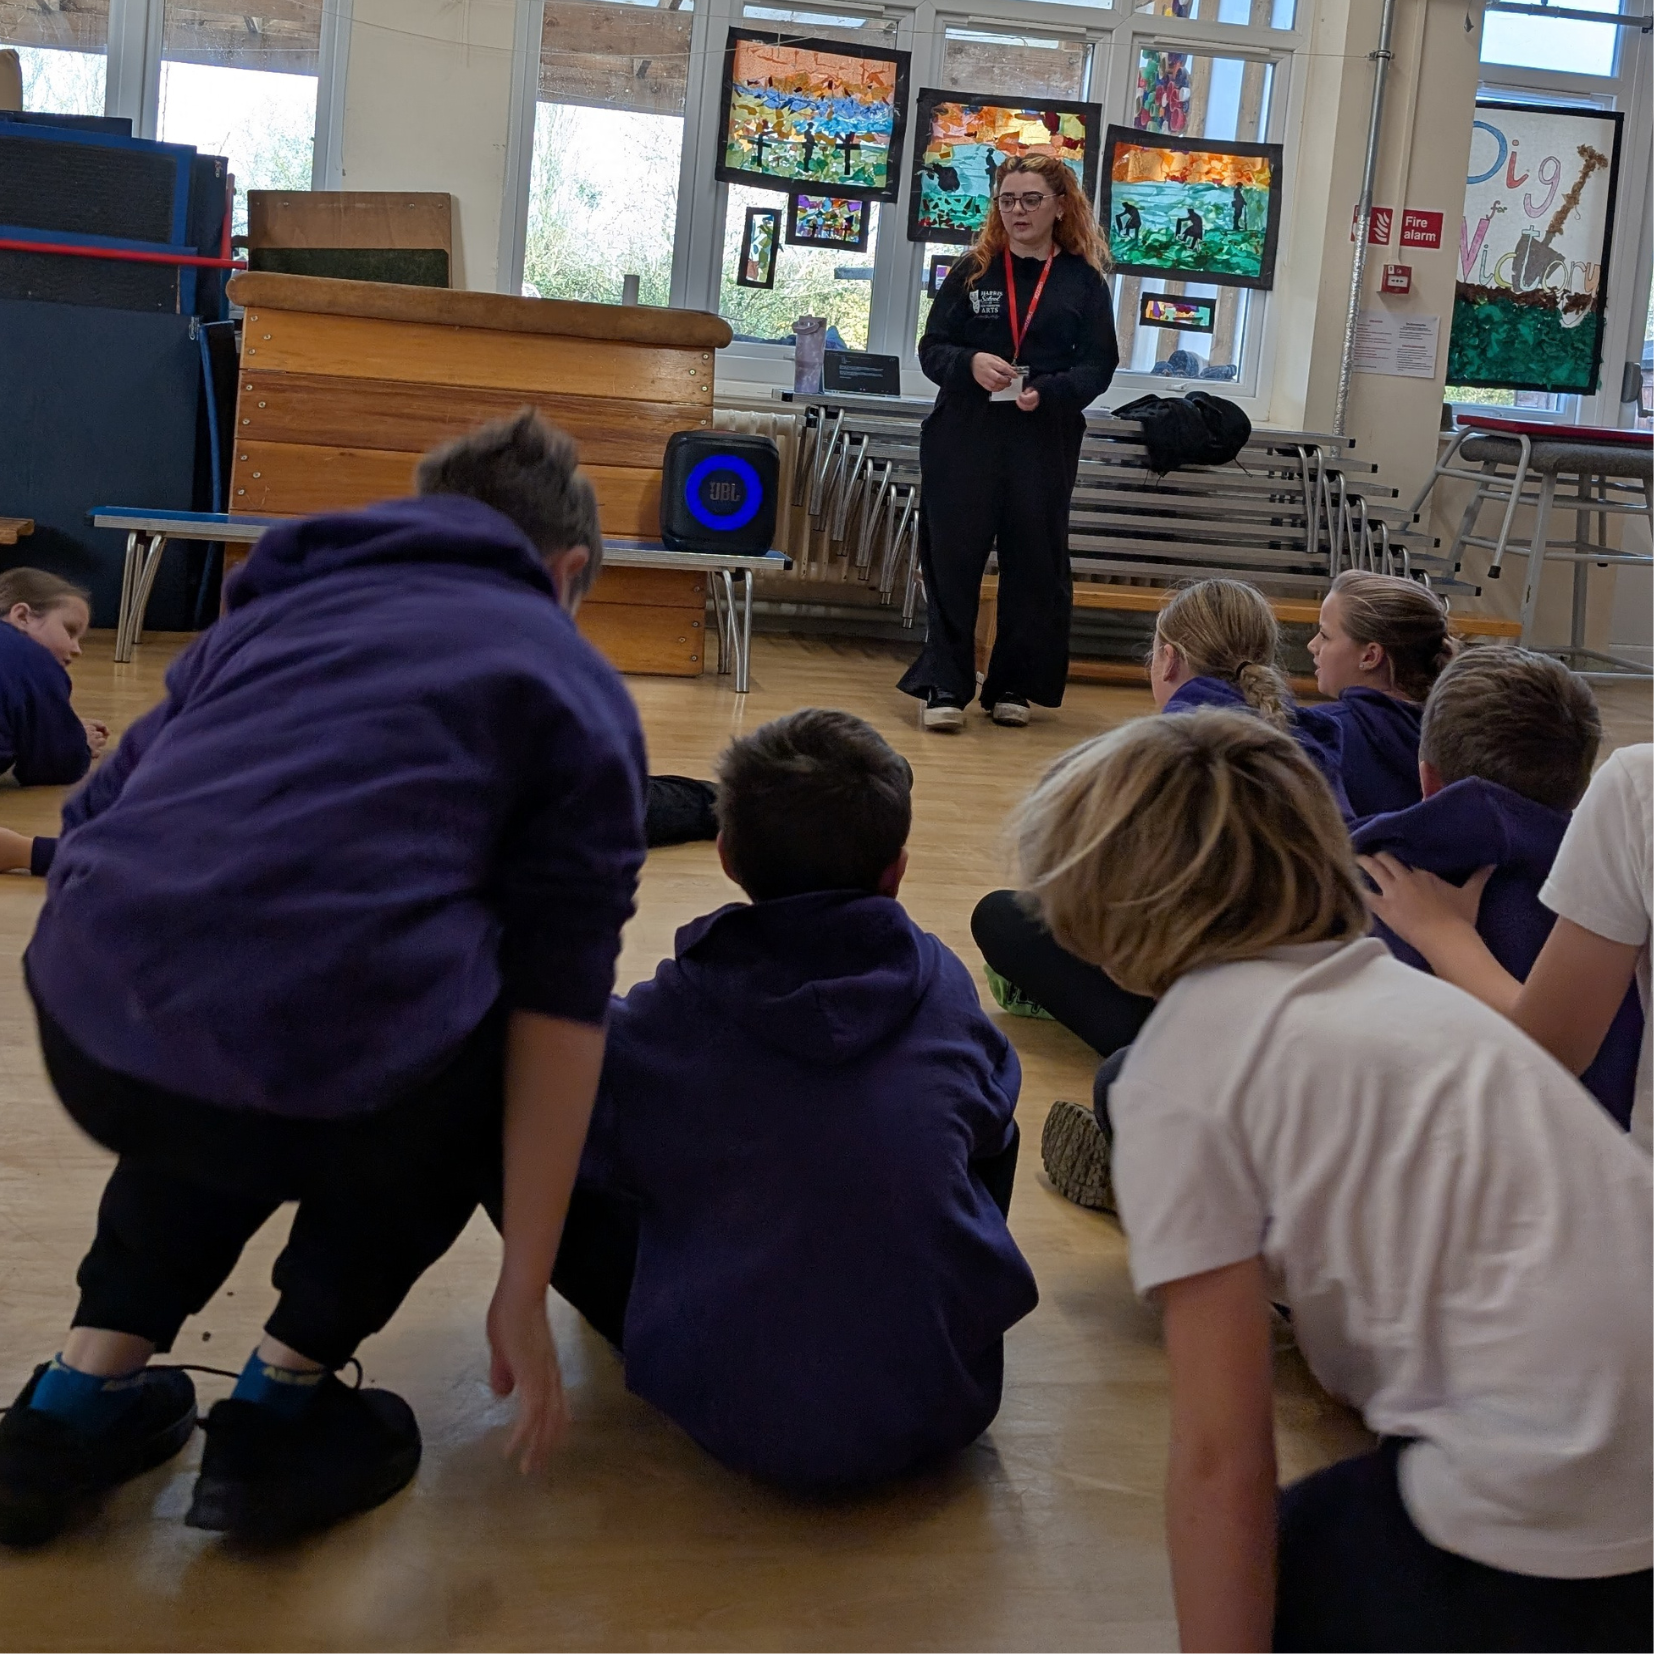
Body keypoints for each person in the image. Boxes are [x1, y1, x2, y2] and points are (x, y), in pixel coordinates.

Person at [0, 410, 648, 1547]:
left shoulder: (260, 619)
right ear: (568, 570)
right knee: (443, 1015)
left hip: (91, 1024)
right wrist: (524, 1287)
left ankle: (71, 1403)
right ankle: (280, 1413)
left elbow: (101, 816)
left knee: (232, 1011)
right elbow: (561, 1010)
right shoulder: (568, 678)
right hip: (310, 1078)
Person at [1011, 708, 1653, 1653]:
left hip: (1544, 1502)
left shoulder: (1178, 1073)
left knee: (1289, 1566)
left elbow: (1221, 1458)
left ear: (1093, 914)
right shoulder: (1406, 997)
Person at [530, 709, 1038, 1490]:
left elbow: (578, 1120)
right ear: (896, 869)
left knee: (549, 1141)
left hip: (727, 1407)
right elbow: (991, 1122)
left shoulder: (673, 1013)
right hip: (944, 1404)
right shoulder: (942, 986)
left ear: (727, 856)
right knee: (975, 1129)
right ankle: (912, 1291)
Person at [973, 580, 1348, 1211]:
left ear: (1167, 658)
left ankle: (1153, 1154)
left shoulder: (1170, 751)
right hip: (1316, 1008)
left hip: (1202, 1002)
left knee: (1006, 919)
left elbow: (1117, 908)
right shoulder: (1315, 736)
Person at [1355, 645, 1641, 1127]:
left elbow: (1549, 1050)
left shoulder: (1355, 877)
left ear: (1427, 777)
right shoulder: (1619, 878)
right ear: (1581, 779)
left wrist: (1446, 938)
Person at [899, 153, 1119, 732]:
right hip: (964, 436)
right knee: (953, 559)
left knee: (1034, 563)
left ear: (1061, 206)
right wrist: (969, 362)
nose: (1017, 211)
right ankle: (945, 684)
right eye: (1007, 200)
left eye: (1031, 200)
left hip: (1042, 439)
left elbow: (1099, 366)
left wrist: (1049, 392)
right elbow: (932, 348)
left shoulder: (1083, 281)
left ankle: (1012, 684)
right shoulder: (973, 269)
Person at [1298, 569, 1458, 819]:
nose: (1312, 645)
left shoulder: (1321, 731)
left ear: (1370, 656)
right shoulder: (1462, 734)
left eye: (1325, 635)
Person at [0, 568, 107, 786]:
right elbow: (56, 765)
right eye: (69, 631)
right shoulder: (33, 659)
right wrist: (79, 743)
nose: (76, 649)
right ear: (22, 616)